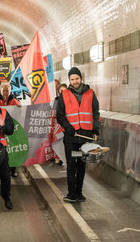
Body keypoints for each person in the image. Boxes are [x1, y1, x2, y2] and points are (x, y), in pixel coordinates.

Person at [56, 67, 100, 203]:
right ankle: (71, 193)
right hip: (71, 138)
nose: (75, 81)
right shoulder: (64, 95)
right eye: (72, 79)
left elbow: (95, 113)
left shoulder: (91, 94)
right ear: (69, 80)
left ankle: (79, 193)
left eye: (76, 78)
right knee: (71, 164)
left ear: (81, 78)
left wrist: (95, 130)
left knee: (81, 165)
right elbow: (60, 115)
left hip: (85, 138)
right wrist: (68, 128)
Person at [0, 82, 21, 178]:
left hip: (11, 129)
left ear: (10, 91)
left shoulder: (14, 101)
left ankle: (13, 170)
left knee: (12, 150)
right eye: (4, 90)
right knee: (0, 150)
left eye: (7, 90)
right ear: (0, 91)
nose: (5, 92)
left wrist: (20, 107)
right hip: (0, 129)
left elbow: (21, 111)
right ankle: (0, 170)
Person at [54, 83, 67, 166]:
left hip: (67, 124)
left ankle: (64, 157)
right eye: (61, 91)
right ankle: (58, 157)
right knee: (58, 141)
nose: (63, 92)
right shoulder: (56, 101)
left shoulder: (70, 100)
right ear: (58, 91)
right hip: (58, 124)